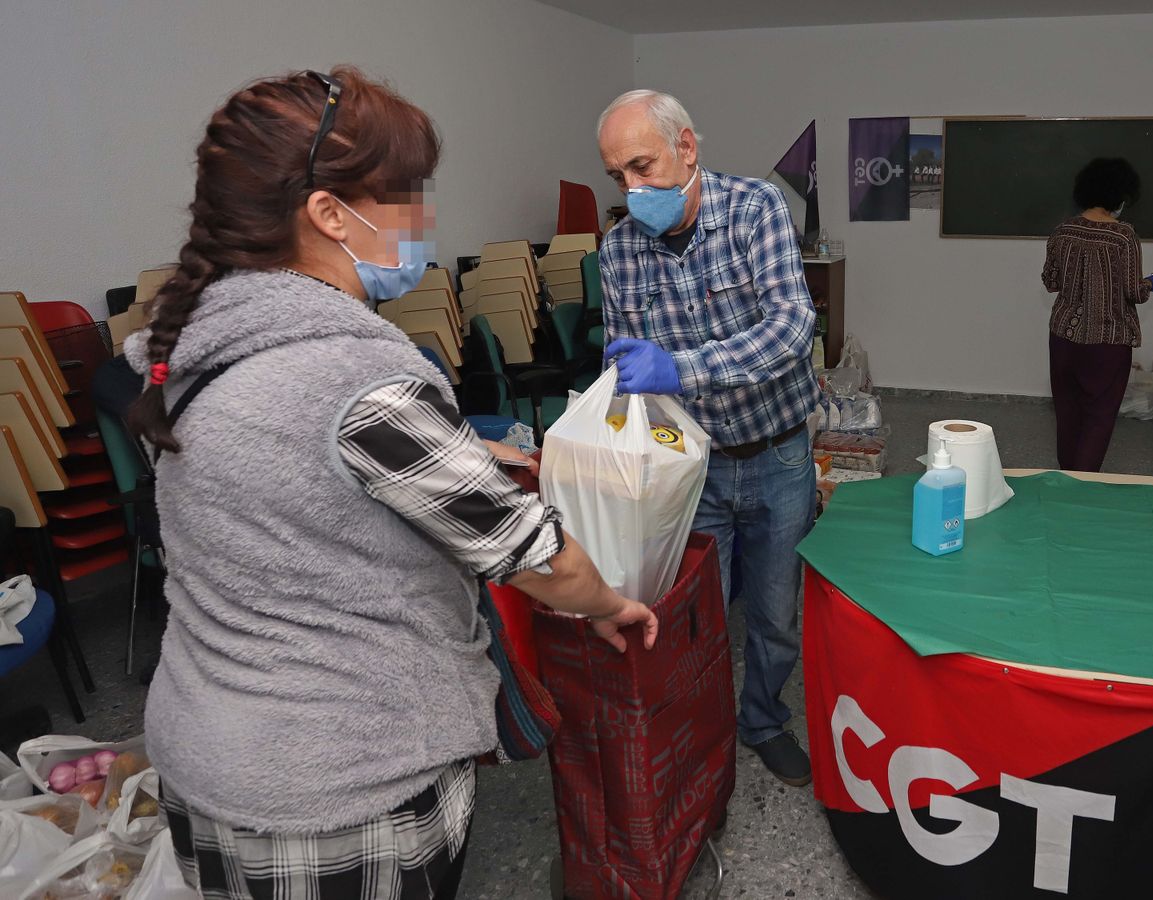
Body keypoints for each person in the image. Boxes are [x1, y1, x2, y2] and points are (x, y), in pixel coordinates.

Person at [127, 67, 658, 899]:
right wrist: (607, 604)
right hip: (341, 790)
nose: (422, 217)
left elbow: (301, 496)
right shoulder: (354, 376)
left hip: (205, 758)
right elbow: (539, 560)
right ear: (330, 214)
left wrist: (463, 455)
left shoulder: (193, 354)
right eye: (405, 195)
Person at [595, 89, 821, 786]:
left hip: (778, 454)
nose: (633, 190)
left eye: (643, 167)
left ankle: (763, 720)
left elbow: (790, 328)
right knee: (697, 615)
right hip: (691, 468)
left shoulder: (755, 210)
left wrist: (683, 368)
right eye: (618, 177)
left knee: (776, 613)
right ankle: (706, 729)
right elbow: (622, 358)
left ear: (686, 148)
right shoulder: (618, 251)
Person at [1039, 158, 1153, 472]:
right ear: (1119, 196)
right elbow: (1134, 292)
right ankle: (1083, 485)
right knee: (1098, 417)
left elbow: (1050, 282)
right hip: (1107, 342)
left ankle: (1067, 478)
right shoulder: (1123, 236)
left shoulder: (1063, 230)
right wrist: (1151, 283)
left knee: (1067, 413)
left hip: (1063, 338)